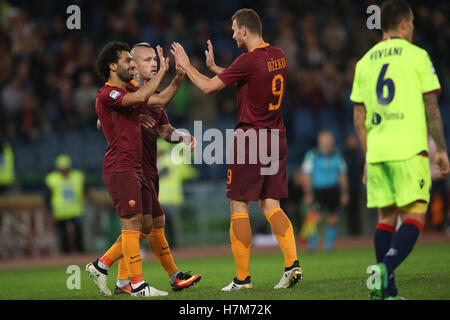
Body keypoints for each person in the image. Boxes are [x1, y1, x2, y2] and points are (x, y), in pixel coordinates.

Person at [170, 8, 302, 291]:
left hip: (250, 141)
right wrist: (217, 68)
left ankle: (242, 280)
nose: (231, 34)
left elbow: (207, 88)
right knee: (271, 205)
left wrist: (186, 65)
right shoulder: (278, 55)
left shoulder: (247, 60)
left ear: (244, 30)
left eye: (233, 29)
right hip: (275, 138)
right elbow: (249, 79)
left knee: (239, 208)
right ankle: (292, 265)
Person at [350, 0, 449, 300]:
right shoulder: (417, 56)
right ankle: (384, 268)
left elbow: (358, 117)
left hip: (378, 151)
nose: (414, 28)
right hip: (409, 149)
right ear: (405, 23)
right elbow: (431, 106)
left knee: (386, 217)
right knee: (415, 216)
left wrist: (368, 155)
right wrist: (441, 150)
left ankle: (388, 292)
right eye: (413, 23)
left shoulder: (365, 61)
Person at [111, 42, 201, 295]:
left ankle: (124, 282)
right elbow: (101, 121)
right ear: (134, 65)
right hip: (129, 169)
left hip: (148, 169)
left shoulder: (155, 95)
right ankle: (109, 269)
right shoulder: (124, 91)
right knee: (139, 227)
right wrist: (132, 117)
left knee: (152, 224)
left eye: (155, 59)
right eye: (149, 59)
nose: (154, 63)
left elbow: (164, 130)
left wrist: (181, 136)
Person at [85, 41, 170, 298]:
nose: (132, 66)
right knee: (132, 225)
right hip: (120, 166)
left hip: (135, 167)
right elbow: (143, 97)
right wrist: (164, 72)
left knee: (143, 225)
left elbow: (159, 99)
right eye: (127, 61)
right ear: (113, 65)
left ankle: (102, 265)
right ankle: (138, 285)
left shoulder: (128, 90)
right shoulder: (107, 93)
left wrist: (180, 75)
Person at [300, 130, 349, 252]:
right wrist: (308, 193)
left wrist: (344, 193)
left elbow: (342, 174)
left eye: (329, 139)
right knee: (315, 217)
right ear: (319, 141)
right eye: (325, 139)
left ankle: (328, 246)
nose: (327, 141)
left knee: (333, 217)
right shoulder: (312, 154)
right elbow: (306, 174)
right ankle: (311, 246)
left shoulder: (337, 154)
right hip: (318, 190)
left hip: (333, 189)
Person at [44, 154, 85, 254]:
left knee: (79, 233)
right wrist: (50, 212)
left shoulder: (78, 176)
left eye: (66, 168)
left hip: (76, 210)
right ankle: (65, 255)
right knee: (62, 236)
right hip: (60, 212)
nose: (64, 170)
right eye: (62, 168)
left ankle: (81, 253)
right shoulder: (51, 179)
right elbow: (47, 197)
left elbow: (85, 190)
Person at [342, 133, 365, 236]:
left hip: (357, 187)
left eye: (354, 140)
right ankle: (350, 234)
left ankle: (358, 233)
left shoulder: (359, 154)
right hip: (347, 188)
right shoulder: (343, 155)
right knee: (348, 212)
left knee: (358, 211)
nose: (353, 142)